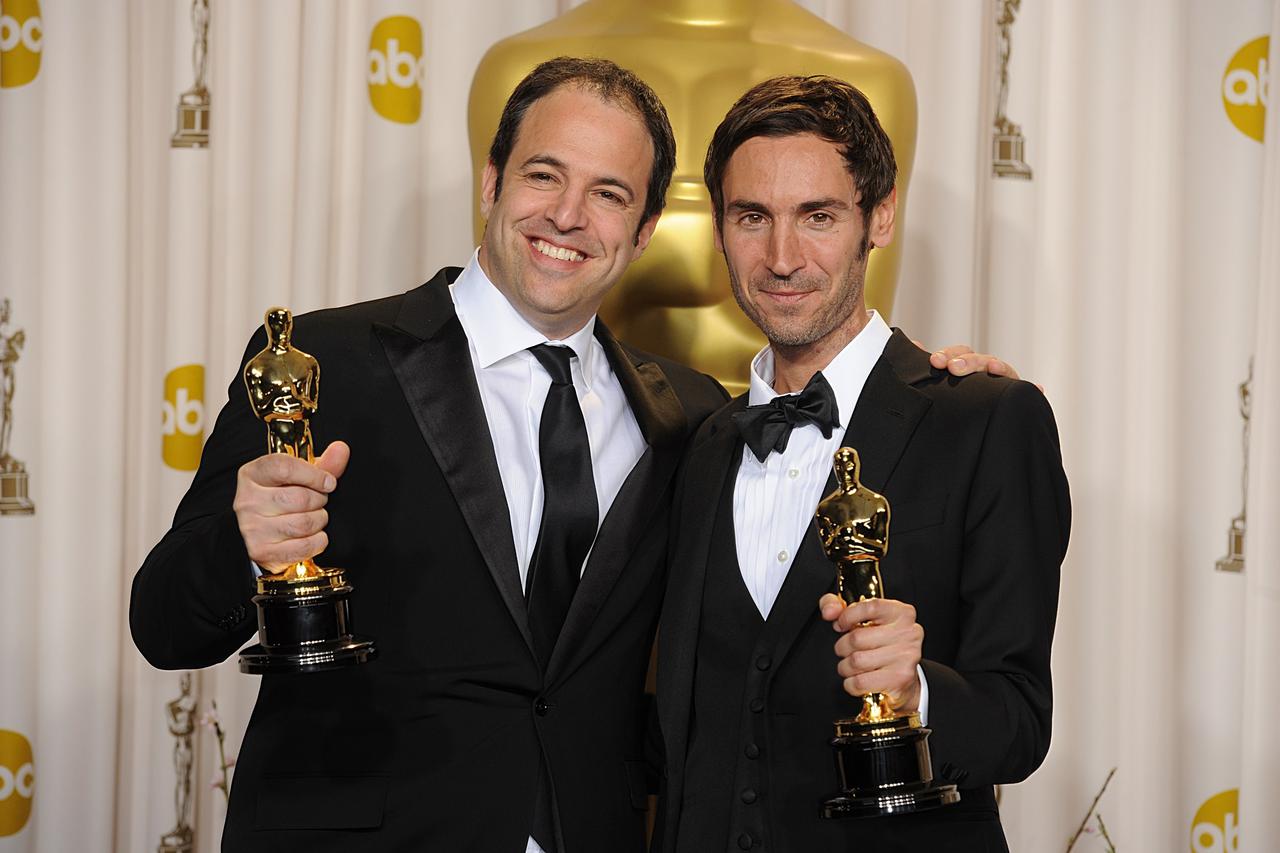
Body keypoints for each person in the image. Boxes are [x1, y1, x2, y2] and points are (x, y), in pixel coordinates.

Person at [132, 58, 1018, 853]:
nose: (567, 214)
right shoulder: (325, 363)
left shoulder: (693, 419)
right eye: (544, 174)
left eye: (608, 193)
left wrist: (950, 392)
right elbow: (164, 623)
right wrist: (237, 541)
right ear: (490, 182)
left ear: (642, 233)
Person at [655, 76, 1071, 853]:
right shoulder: (697, 447)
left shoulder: (986, 419)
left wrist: (914, 688)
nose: (782, 257)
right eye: (753, 217)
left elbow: (1020, 723)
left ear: (879, 217)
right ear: (718, 229)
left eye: (818, 216)